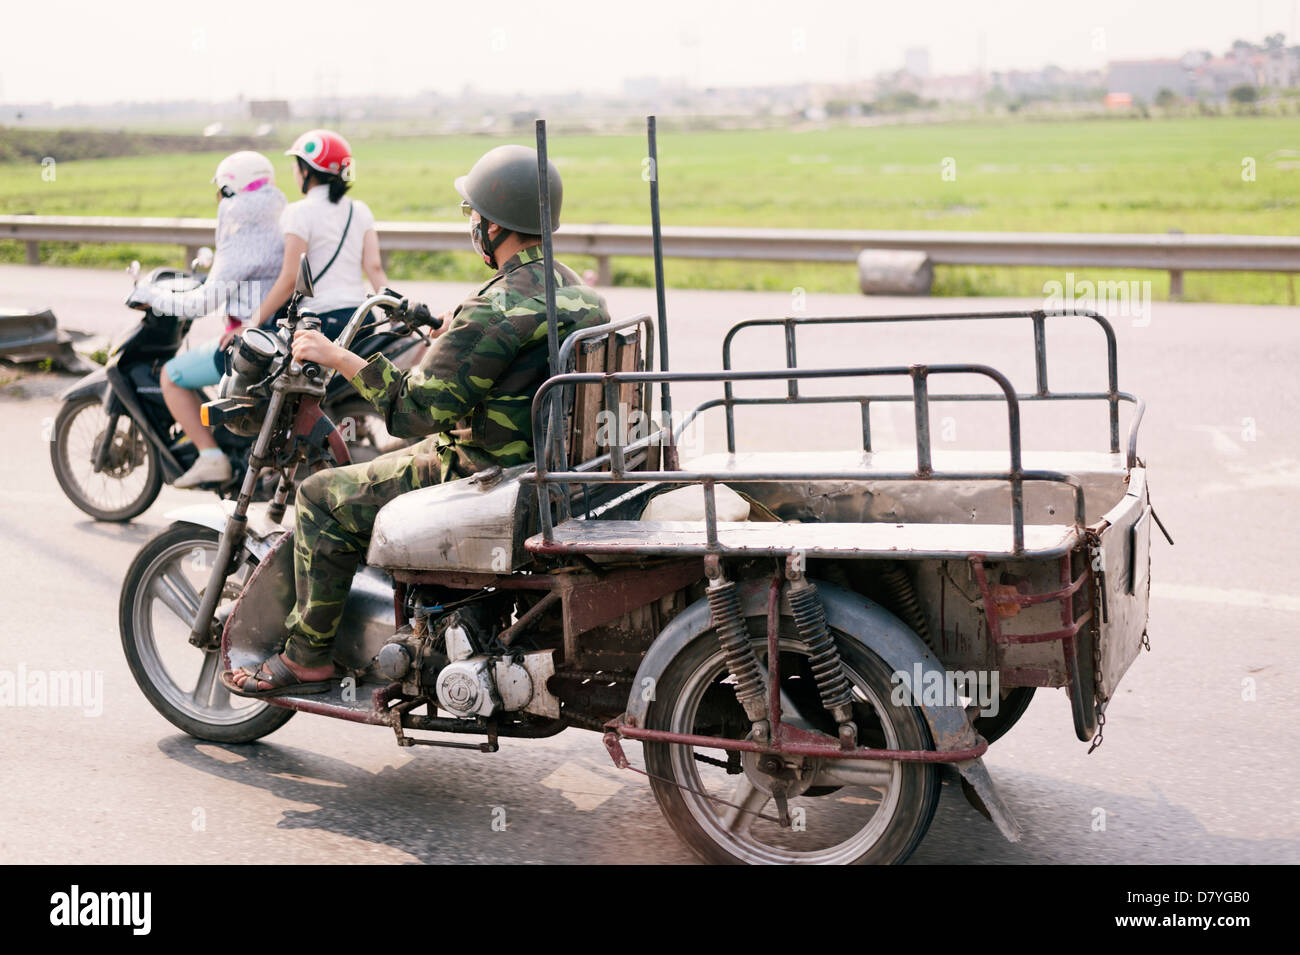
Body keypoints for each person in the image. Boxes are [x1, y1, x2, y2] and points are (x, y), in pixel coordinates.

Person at [222, 144, 611, 697]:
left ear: (496, 225)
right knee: (374, 469)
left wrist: (337, 357)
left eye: (475, 215)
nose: (472, 224)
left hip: (485, 472)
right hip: (543, 466)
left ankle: (307, 657)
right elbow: (512, 361)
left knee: (319, 496)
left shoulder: (497, 307)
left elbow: (412, 412)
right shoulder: (579, 293)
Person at [172, 128, 390, 488]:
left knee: (257, 377)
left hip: (321, 325)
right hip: (360, 323)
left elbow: (290, 278)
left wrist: (252, 324)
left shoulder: (298, 213)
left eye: (296, 165)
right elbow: (376, 270)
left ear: (306, 170)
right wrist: (396, 304)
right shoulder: (361, 210)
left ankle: (266, 461)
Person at [155, 151, 285, 488]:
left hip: (251, 344)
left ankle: (210, 457)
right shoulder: (278, 215)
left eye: (220, 192)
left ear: (229, 190)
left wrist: (153, 297)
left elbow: (205, 302)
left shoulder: (241, 225)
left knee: (171, 376)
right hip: (277, 334)